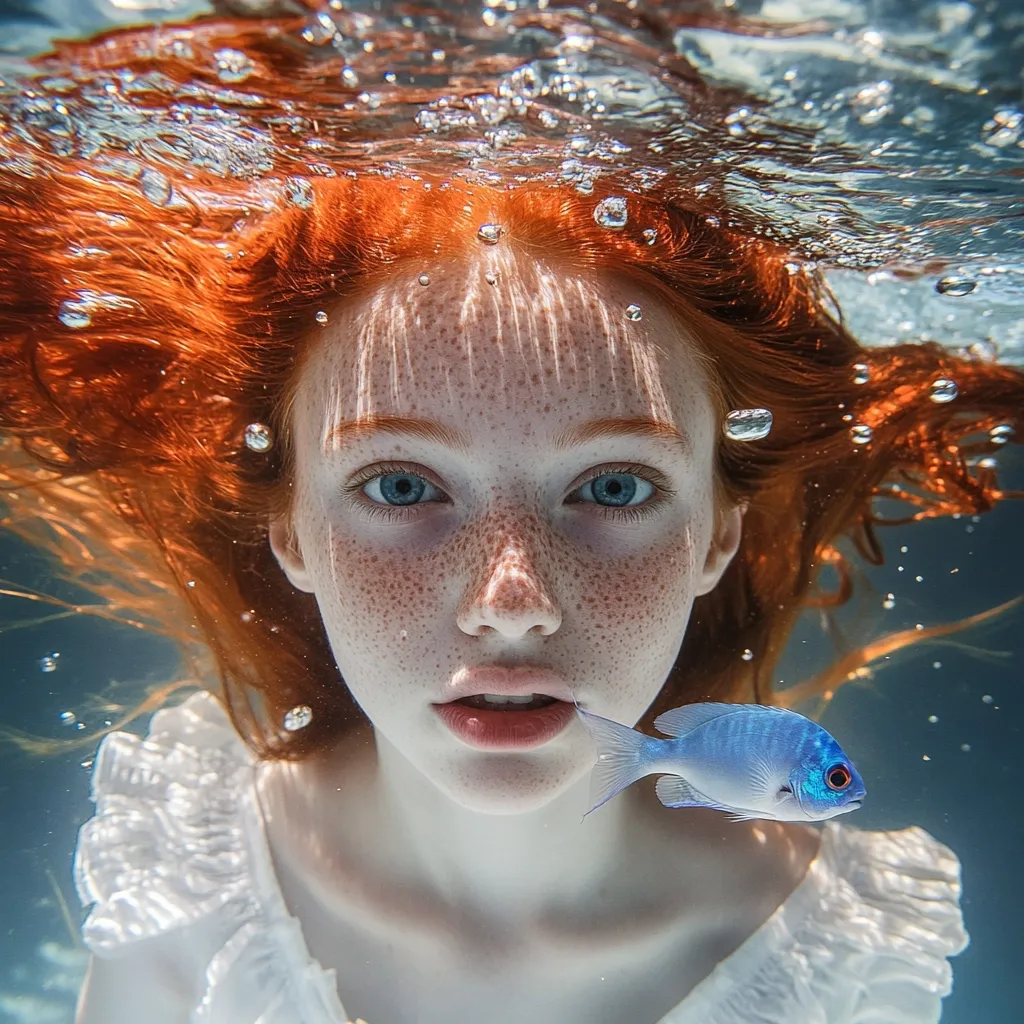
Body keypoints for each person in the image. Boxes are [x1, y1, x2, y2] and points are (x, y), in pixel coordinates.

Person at [0, 4, 1019, 1022]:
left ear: (717, 531)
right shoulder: (185, 884)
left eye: (613, 487)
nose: (511, 603)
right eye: (401, 485)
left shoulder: (843, 956)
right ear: (291, 531)